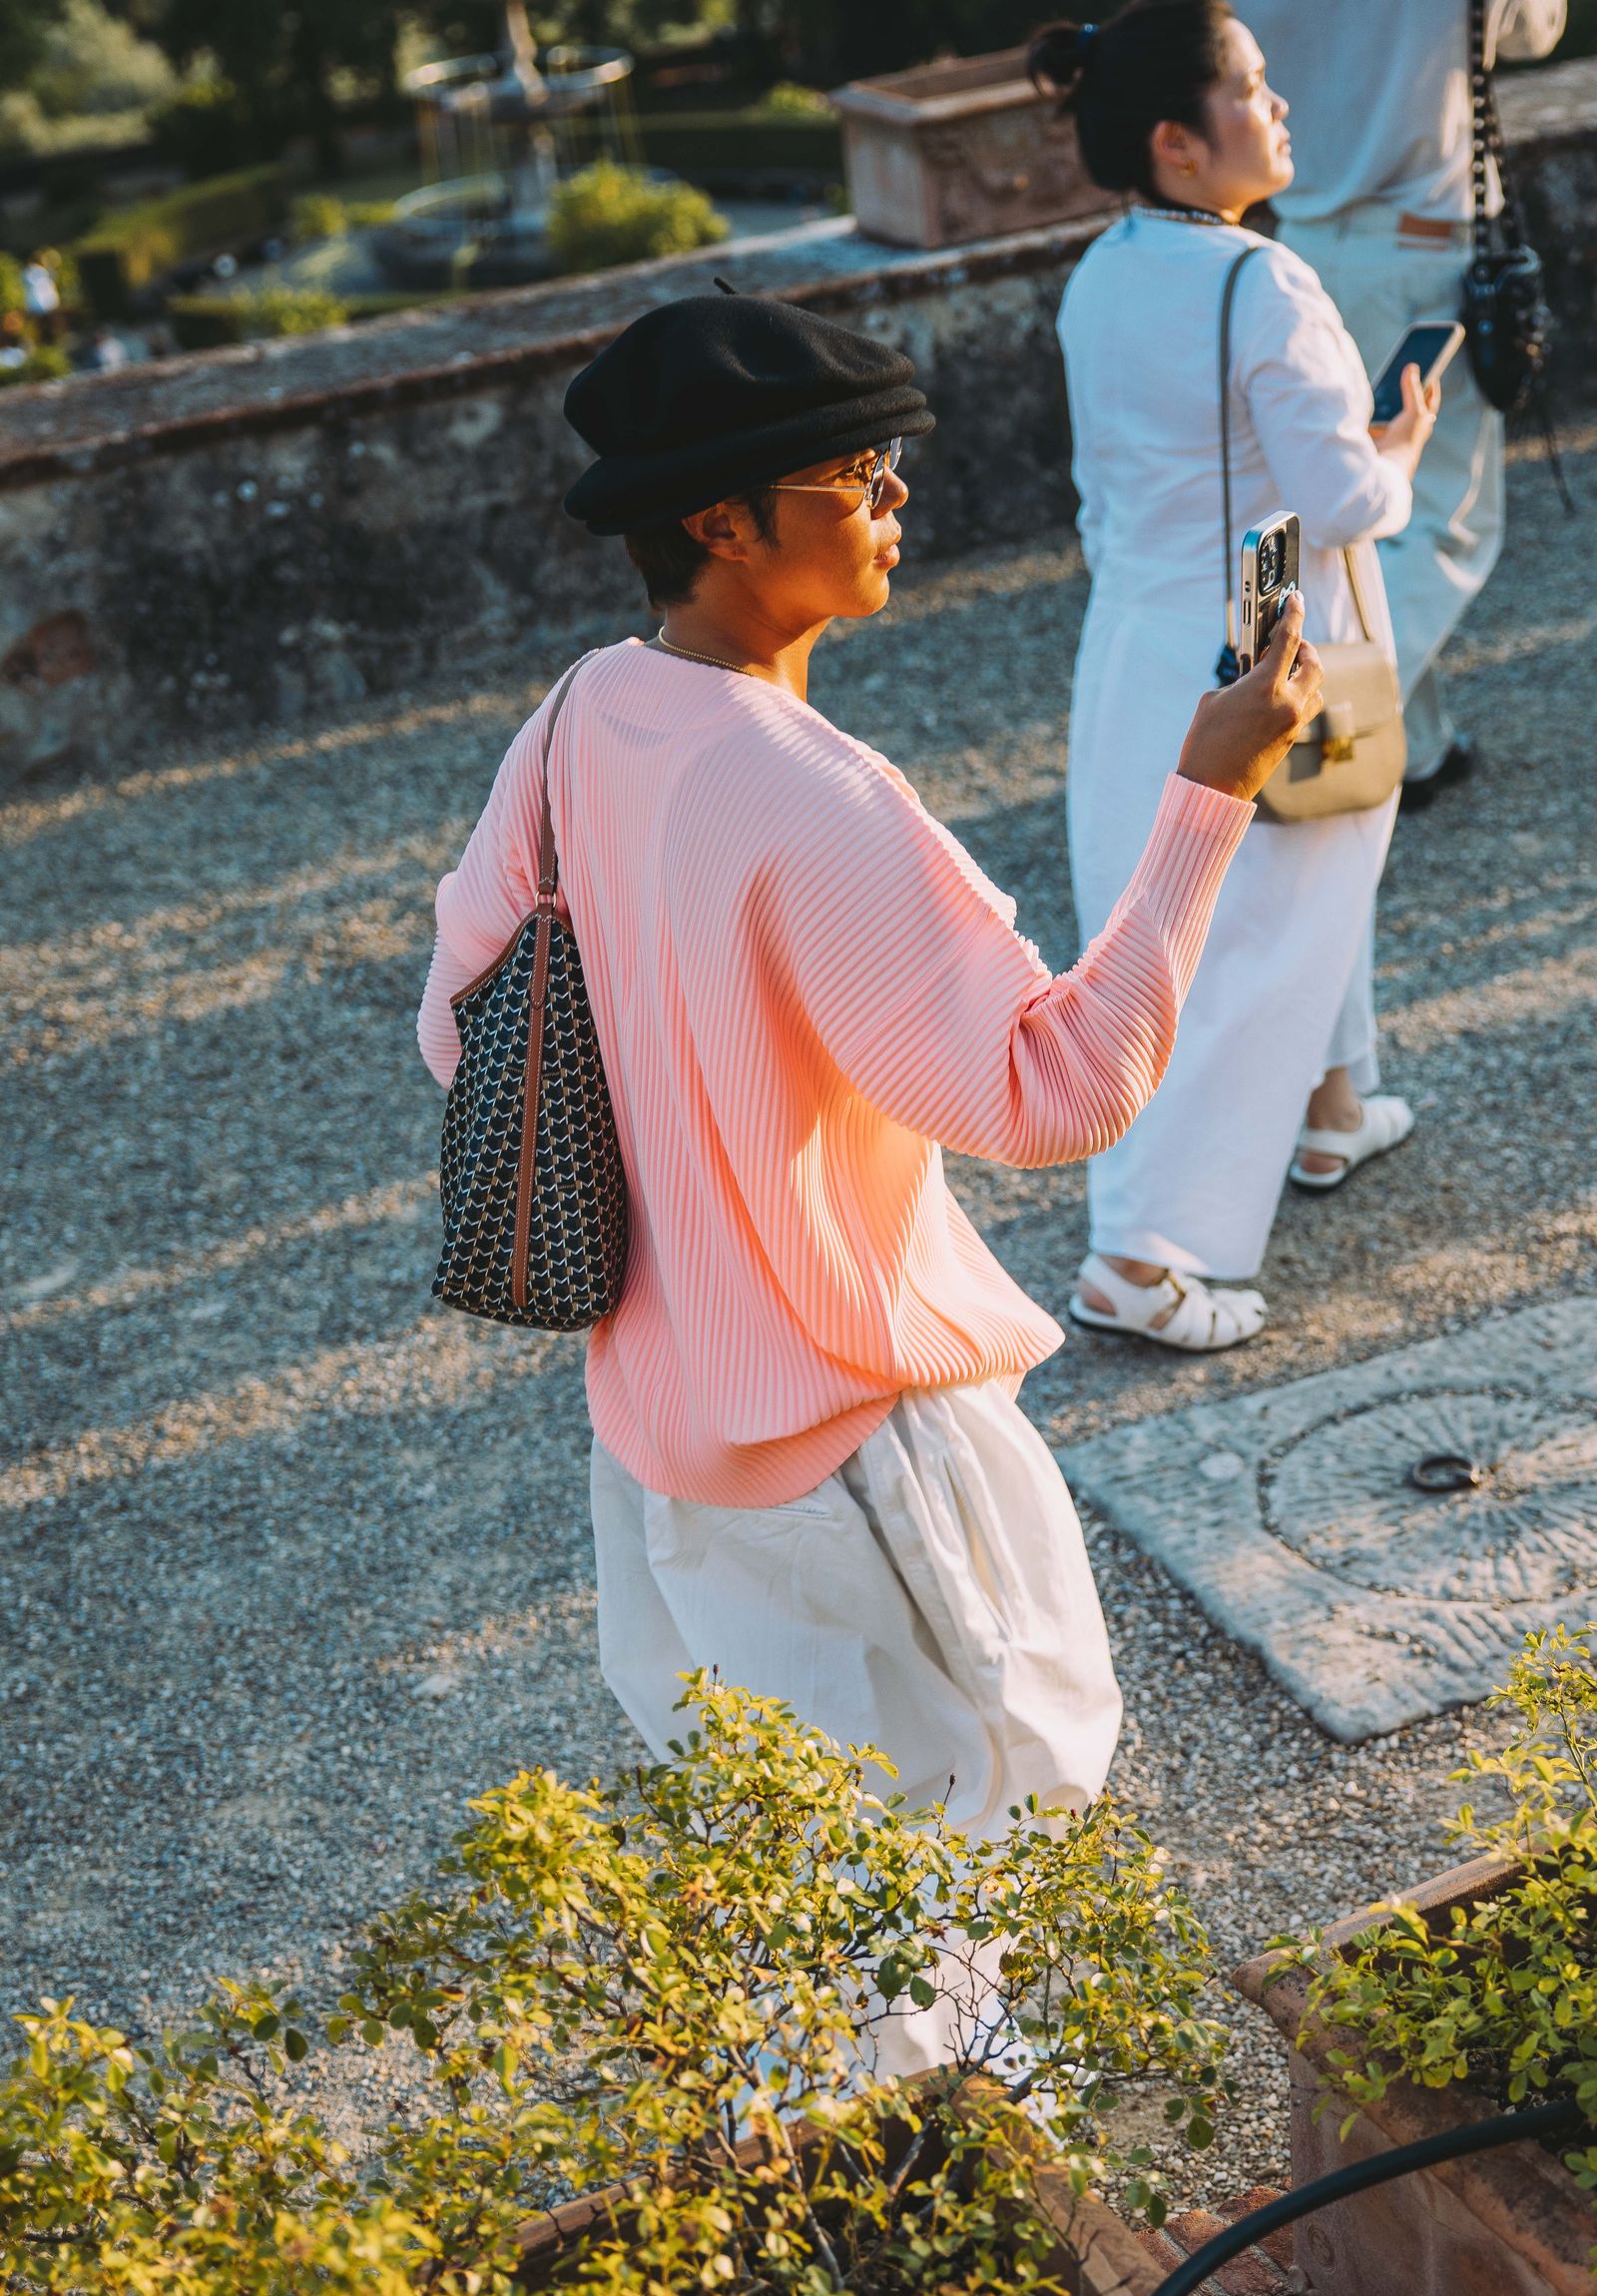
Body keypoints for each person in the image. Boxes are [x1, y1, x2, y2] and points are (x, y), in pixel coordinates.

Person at [417, 291, 1322, 2065]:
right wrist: (1206, 795)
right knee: (977, 1871)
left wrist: (691, 1117)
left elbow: (459, 1023)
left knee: (816, 1906)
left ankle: (868, 2195)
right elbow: (1059, 1088)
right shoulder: (816, 794)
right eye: (858, 472)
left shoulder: (583, 718)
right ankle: (997, 2198)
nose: (899, 496)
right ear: (724, 520)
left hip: (666, 1431)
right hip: (858, 1431)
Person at [1034, 1, 1440, 1351]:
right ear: (1178, 140)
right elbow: (1342, 499)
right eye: (1253, 89)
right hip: (1254, 650)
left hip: (1138, 643)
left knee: (1188, 921)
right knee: (1246, 935)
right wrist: (1400, 445)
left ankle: (1330, 1105)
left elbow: (1115, 488)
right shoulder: (1262, 281)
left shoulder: (1100, 273)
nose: (1278, 108)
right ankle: (1137, 1259)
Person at [1240, 1, 1566, 810]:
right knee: (1447, 524)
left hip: (1302, 245)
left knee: (1360, 512)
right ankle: (1311, 726)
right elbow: (1533, 29)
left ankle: (1413, 751)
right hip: (1419, 251)